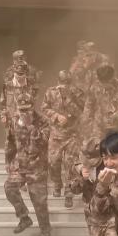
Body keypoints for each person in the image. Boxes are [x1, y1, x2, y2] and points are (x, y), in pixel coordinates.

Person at [4, 95, 52, 236]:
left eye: (27, 109)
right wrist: (8, 161)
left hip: (37, 166)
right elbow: (10, 142)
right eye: (21, 110)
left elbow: (44, 141)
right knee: (9, 188)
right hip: (19, 164)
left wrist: (31, 126)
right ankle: (24, 217)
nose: (24, 113)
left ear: (33, 107)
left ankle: (45, 228)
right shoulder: (14, 120)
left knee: (39, 200)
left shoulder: (43, 121)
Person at [42, 70, 85, 208]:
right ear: (58, 81)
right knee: (53, 162)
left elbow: (83, 111)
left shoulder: (77, 93)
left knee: (70, 164)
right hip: (56, 133)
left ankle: (69, 193)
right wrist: (56, 116)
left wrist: (69, 100)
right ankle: (57, 183)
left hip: (72, 134)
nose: (64, 84)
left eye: (67, 82)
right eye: (62, 82)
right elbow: (44, 108)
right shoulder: (50, 92)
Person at [80, 63, 118, 151]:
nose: (104, 84)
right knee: (99, 151)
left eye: (106, 81)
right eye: (102, 82)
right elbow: (88, 107)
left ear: (112, 78)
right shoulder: (94, 88)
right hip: (99, 125)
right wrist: (86, 127)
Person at [0, 49, 39, 127]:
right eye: (18, 58)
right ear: (14, 60)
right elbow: (4, 98)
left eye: (22, 58)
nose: (20, 60)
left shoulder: (32, 70)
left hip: (27, 109)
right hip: (12, 104)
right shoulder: (9, 71)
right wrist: (3, 116)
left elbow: (35, 94)